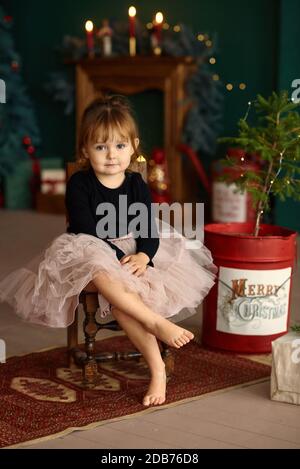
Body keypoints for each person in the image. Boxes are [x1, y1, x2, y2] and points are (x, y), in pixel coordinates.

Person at [0, 95, 217, 407]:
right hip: (87, 254)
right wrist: (117, 263)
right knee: (100, 270)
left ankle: (157, 370)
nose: (111, 155)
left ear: (133, 147)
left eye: (119, 146)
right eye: (101, 147)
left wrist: (144, 256)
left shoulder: (136, 185)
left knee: (121, 306)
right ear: (86, 150)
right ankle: (156, 324)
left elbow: (147, 229)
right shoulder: (79, 184)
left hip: (130, 250)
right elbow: (88, 232)